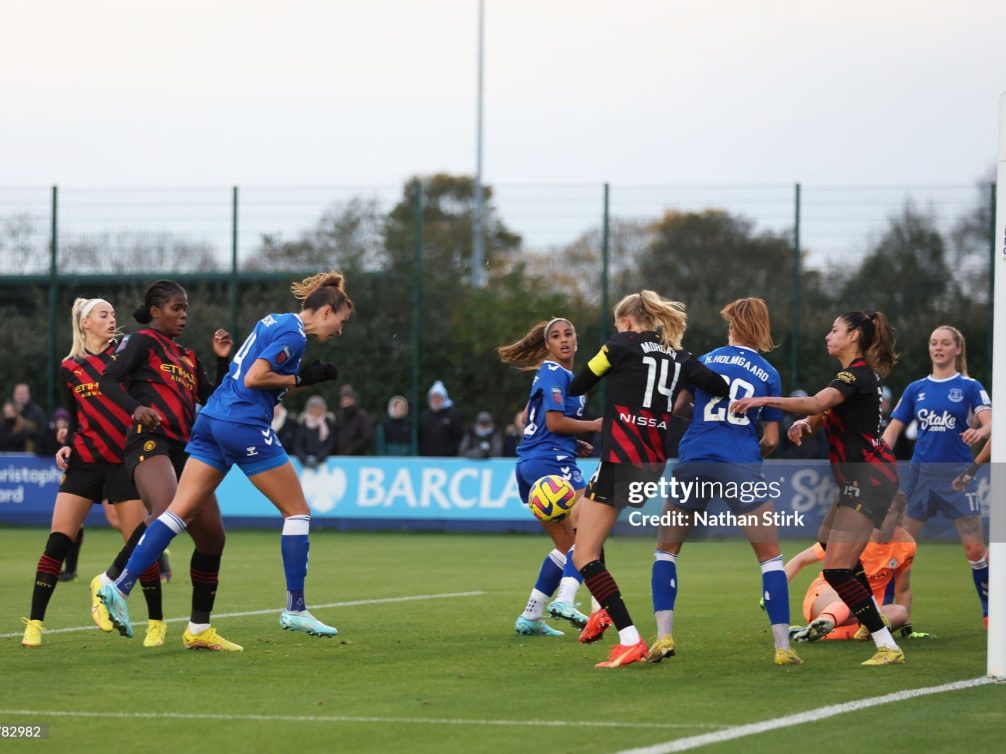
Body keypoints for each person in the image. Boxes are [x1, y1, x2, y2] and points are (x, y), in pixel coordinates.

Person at [99, 271, 351, 641]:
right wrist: (299, 380)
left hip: (212, 420)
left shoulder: (275, 321)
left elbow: (264, 385)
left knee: (177, 513)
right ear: (326, 311)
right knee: (297, 511)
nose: (340, 331)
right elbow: (254, 378)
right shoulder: (293, 335)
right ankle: (295, 608)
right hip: (244, 425)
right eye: (341, 322)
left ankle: (118, 585)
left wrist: (303, 381)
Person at [732, 310, 905, 665]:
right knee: (830, 545)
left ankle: (886, 644)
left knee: (836, 570)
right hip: (858, 479)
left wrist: (763, 401)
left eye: (834, 329)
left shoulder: (854, 374)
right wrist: (806, 425)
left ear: (854, 335)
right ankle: (874, 617)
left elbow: (818, 403)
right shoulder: (853, 377)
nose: (828, 335)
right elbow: (823, 411)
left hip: (870, 479)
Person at [567, 291, 730, 668]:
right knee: (578, 521)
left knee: (585, 554)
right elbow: (718, 385)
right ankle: (603, 610)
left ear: (626, 322)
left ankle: (629, 638)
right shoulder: (680, 355)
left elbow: (579, 384)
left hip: (621, 457)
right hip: (651, 462)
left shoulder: (619, 344)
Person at [646, 298, 802, 666]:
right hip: (741, 464)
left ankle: (664, 637)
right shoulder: (768, 372)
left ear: (732, 326)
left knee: (666, 550)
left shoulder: (706, 359)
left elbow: (679, 408)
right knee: (770, 559)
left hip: (696, 457)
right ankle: (782, 647)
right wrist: (748, 454)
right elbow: (772, 440)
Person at [93, 280, 236, 651]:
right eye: (177, 307)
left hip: (188, 450)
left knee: (212, 538)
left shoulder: (188, 356)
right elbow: (106, 380)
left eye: (186, 308)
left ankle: (199, 629)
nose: (184, 314)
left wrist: (222, 359)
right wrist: (135, 408)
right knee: (169, 510)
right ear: (156, 311)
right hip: (149, 440)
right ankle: (109, 582)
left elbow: (217, 400)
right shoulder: (142, 341)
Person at [20, 298, 162, 647]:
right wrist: (65, 439)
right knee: (57, 541)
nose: (112, 319)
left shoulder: (126, 358)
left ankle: (156, 622)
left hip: (124, 463)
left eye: (114, 314)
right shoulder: (69, 367)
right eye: (104, 314)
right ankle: (35, 623)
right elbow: (72, 415)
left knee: (141, 546)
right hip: (84, 462)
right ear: (85, 323)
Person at [881, 325, 991, 627]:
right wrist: (878, 454)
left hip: (958, 477)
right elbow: (893, 429)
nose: (938, 347)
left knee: (974, 549)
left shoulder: (969, 386)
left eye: (945, 343)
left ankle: (989, 611)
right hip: (921, 478)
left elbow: (990, 423)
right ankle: (886, 610)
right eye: (934, 343)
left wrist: (979, 431)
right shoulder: (916, 389)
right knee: (900, 547)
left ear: (957, 349)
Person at [498, 318, 602, 636]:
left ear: (576, 338)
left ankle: (531, 615)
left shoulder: (559, 375)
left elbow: (538, 421)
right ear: (548, 346)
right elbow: (555, 422)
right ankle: (567, 600)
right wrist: (596, 425)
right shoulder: (555, 372)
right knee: (590, 533)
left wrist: (575, 441)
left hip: (531, 464)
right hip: (550, 464)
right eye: (556, 336)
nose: (564, 340)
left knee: (566, 543)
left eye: (568, 333)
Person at [787, 494, 916, 641]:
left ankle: (819, 634)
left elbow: (903, 589)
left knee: (899, 613)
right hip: (829, 595)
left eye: (887, 512)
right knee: (851, 598)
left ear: (899, 517)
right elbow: (801, 559)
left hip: (866, 607)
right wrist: (774, 590)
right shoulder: (853, 535)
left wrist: (907, 630)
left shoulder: (907, 545)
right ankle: (825, 620)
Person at [777, 390, 828, 460]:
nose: (798, 405)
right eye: (795, 402)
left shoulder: (814, 419)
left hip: (813, 462)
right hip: (792, 462)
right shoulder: (786, 421)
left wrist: (820, 459)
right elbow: (782, 444)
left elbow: (823, 442)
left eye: (801, 402)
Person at [419, 381, 464, 456]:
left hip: (447, 460)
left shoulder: (452, 416)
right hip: (427, 460)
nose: (436, 400)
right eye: (434, 397)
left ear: (444, 399)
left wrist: (450, 452)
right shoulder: (424, 417)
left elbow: (459, 438)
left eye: (439, 397)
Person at [294, 395, 336, 468]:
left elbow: (330, 443)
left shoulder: (327, 422)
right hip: (304, 462)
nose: (316, 410)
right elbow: (298, 444)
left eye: (319, 407)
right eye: (313, 407)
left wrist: (319, 459)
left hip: (323, 462)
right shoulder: (303, 422)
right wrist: (304, 459)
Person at [335, 384, 374, 455]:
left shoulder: (362, 416)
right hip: (341, 457)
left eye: (349, 399)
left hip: (358, 458)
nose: (346, 401)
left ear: (354, 400)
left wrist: (352, 449)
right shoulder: (340, 417)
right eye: (344, 399)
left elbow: (367, 437)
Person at [12, 383, 48, 454]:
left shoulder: (37, 412)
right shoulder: (9, 411)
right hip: (8, 456)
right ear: (14, 395)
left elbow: (44, 432)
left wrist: (26, 432)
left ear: (29, 395)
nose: (21, 396)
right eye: (18, 393)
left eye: (23, 393)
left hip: (32, 456)